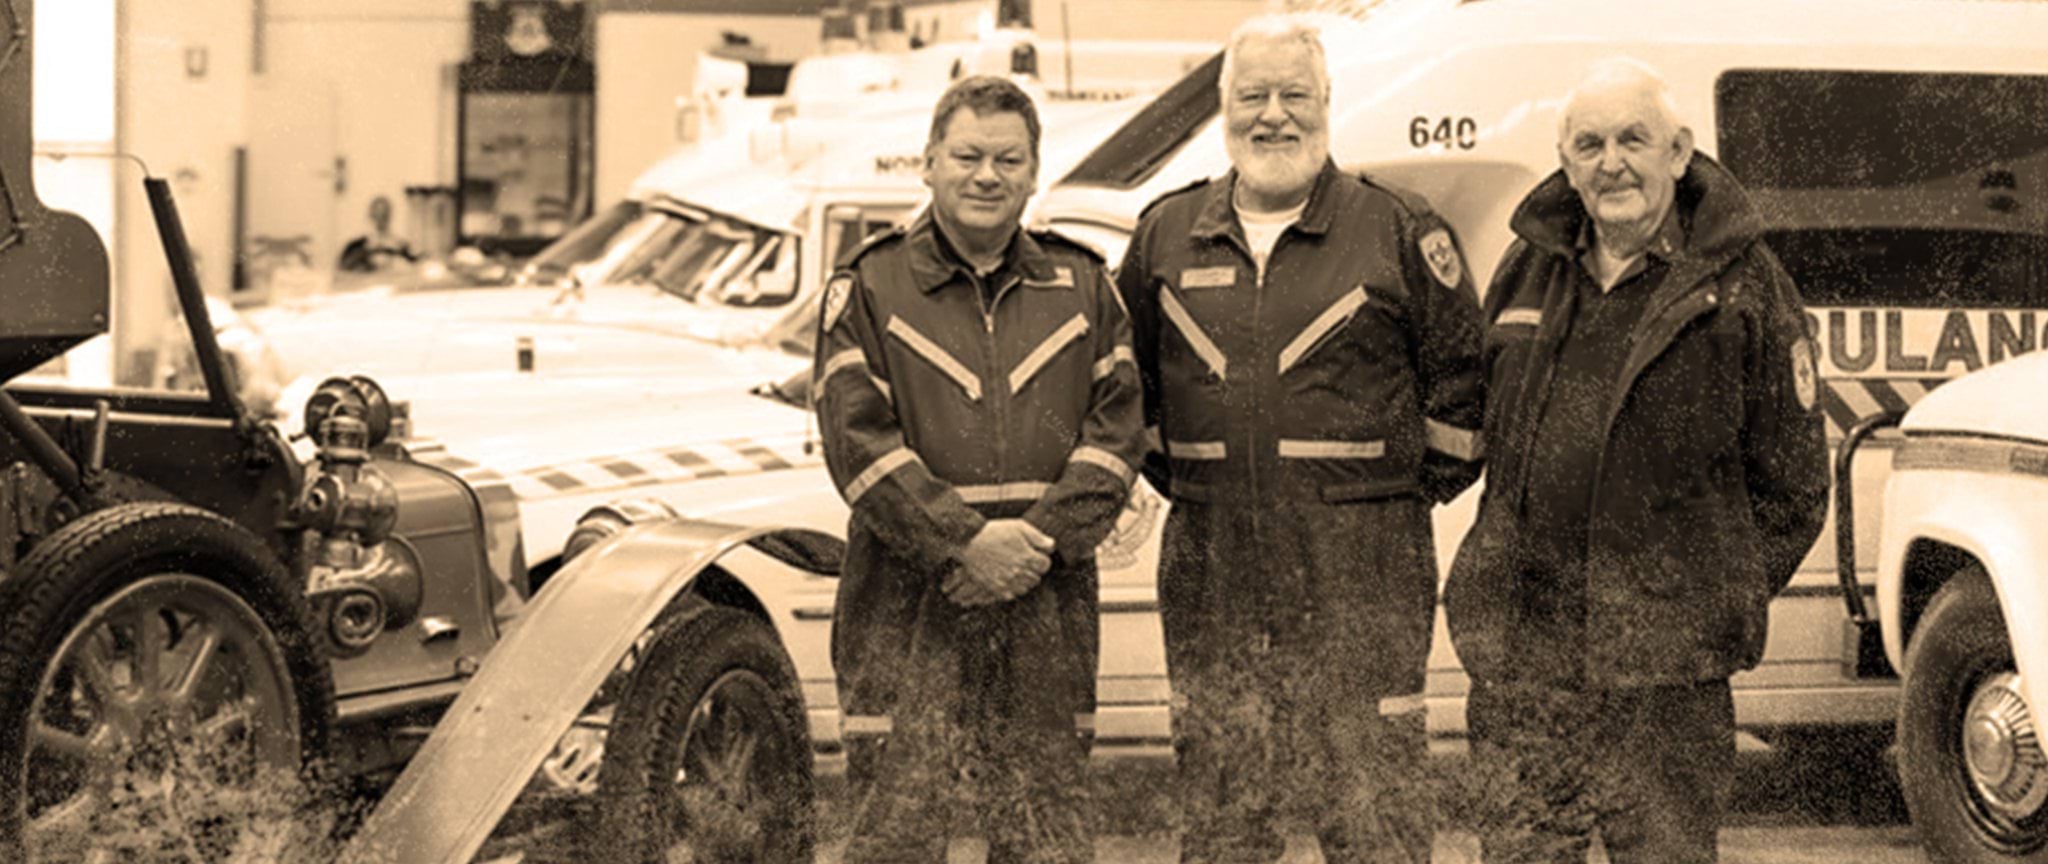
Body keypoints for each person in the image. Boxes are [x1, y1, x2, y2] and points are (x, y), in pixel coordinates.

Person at [1115, 16, 1486, 863]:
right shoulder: (1165, 234)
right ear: (1223, 109)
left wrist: (1375, 500)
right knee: (1222, 815)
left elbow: (1463, 394)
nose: (1272, 115)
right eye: (1253, 96)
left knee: (1372, 816)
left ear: (1326, 103)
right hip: (1213, 571)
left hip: (1363, 575)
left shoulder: (1397, 227)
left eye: (1294, 95)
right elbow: (1125, 382)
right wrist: (1209, 484)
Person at [1443, 57, 1829, 863]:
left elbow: (1793, 484)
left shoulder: (1743, 285)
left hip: (1665, 679)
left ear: (1679, 151)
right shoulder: (1529, 264)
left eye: (1632, 139)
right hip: (1525, 660)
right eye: (1588, 144)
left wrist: (1708, 590)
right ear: (1566, 160)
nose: (1610, 161)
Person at [814, 74, 1145, 864]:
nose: (986, 175)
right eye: (966, 155)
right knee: (894, 832)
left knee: (1046, 832)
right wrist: (964, 544)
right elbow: (856, 442)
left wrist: (1031, 548)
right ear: (927, 163)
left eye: (1008, 158)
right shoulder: (869, 284)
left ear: (1035, 173)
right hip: (907, 602)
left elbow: (1119, 432)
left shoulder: (1084, 285)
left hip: (1046, 602)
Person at [337, 195, 416, 272]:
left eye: (384, 215)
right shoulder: (356, 246)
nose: (380, 219)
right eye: (377, 214)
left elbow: (414, 268)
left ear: (389, 216)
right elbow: (343, 269)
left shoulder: (400, 246)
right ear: (371, 215)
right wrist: (367, 252)